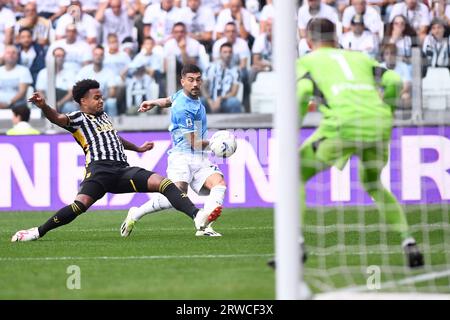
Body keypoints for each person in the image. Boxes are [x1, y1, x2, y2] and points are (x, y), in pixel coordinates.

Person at [270, 18, 424, 269]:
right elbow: (394, 81)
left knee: (292, 175)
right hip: (379, 124)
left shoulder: (306, 61)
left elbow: (301, 93)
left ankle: (294, 245)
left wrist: (291, 131)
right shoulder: (360, 57)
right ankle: (409, 241)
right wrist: (389, 111)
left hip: (343, 126)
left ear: (308, 41)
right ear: (336, 35)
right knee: (374, 183)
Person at [11, 79, 221, 242]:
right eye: (96, 98)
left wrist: (137, 148)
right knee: (79, 205)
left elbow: (114, 138)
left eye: (101, 97)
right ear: (83, 101)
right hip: (99, 172)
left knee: (163, 183)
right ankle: (37, 232)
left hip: (122, 170)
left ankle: (197, 216)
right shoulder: (77, 118)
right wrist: (43, 105)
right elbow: (57, 118)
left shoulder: (104, 117)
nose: (101, 100)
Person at [120, 64, 226, 237]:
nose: (195, 84)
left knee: (218, 184)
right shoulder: (183, 109)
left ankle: (204, 227)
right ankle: (136, 213)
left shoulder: (182, 96)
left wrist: (153, 102)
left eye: (198, 80)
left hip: (199, 157)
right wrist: (215, 143)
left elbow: (169, 99)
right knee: (176, 196)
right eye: (190, 80)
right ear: (182, 81)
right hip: (182, 157)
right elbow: (193, 142)